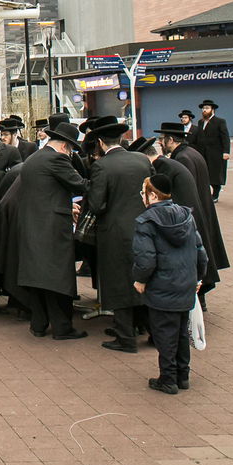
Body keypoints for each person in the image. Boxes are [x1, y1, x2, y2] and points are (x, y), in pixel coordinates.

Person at [131, 173, 208, 395]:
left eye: (143, 192)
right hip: (185, 284)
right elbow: (199, 251)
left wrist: (140, 279)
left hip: (162, 286)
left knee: (165, 334)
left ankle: (168, 378)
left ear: (153, 195)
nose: (141, 196)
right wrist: (198, 278)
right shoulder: (186, 216)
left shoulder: (146, 221)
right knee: (182, 332)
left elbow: (145, 258)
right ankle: (183, 375)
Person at [15, 120, 90, 339]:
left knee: (38, 279)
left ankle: (38, 325)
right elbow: (81, 184)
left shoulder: (34, 158)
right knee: (58, 279)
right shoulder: (57, 159)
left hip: (32, 226)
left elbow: (43, 193)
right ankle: (62, 327)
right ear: (66, 146)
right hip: (52, 228)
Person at [84, 118, 150, 353]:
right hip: (144, 228)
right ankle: (149, 330)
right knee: (144, 278)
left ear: (100, 143)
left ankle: (125, 336)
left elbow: (96, 204)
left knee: (119, 283)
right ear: (121, 139)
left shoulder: (102, 166)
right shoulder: (142, 160)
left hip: (114, 233)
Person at [151, 123, 228, 297]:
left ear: (170, 140)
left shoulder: (182, 159)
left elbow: (184, 191)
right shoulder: (192, 153)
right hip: (202, 209)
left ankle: (199, 297)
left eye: (162, 139)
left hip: (193, 211)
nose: (160, 143)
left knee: (196, 257)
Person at [192, 100, 229, 201]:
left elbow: (225, 137)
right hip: (202, 152)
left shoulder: (220, 121)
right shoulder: (200, 122)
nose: (204, 110)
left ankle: (215, 194)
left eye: (207, 108)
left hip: (215, 153)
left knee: (215, 173)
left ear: (213, 110)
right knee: (204, 173)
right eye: (203, 108)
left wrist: (226, 151)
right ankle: (206, 194)